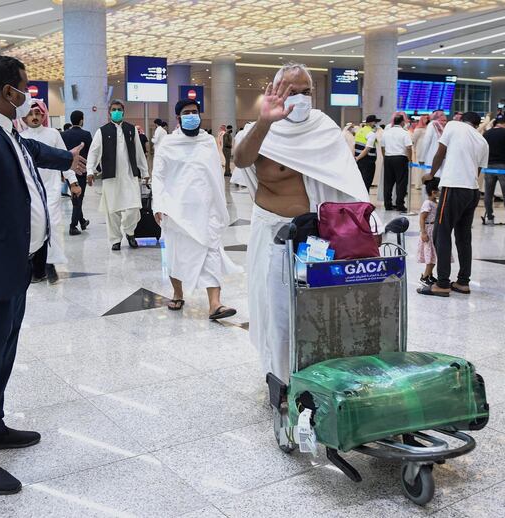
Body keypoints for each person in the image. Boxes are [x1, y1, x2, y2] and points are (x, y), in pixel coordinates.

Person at [0, 56, 87, 494]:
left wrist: (70, 159)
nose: (29, 96)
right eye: (25, 88)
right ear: (9, 92)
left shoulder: (12, 131)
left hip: (15, 267)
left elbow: (35, 151)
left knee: (2, 354)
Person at [232, 62, 379, 383]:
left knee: (317, 307)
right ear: (274, 92)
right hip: (274, 235)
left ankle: (316, 373)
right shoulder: (260, 131)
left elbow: (346, 181)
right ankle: (281, 381)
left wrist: (367, 225)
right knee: (277, 311)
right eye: (291, 91)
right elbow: (240, 160)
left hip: (318, 237)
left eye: (306, 92)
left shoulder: (324, 128)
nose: (299, 98)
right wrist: (264, 122)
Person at [152, 98, 242, 319]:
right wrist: (159, 204)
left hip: (206, 210)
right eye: (186, 112)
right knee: (176, 255)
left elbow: (215, 175)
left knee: (211, 252)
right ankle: (177, 292)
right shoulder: (169, 143)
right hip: (176, 211)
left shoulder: (208, 142)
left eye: (195, 112)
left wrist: (220, 206)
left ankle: (215, 304)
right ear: (178, 118)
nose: (192, 115)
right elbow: (159, 175)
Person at [418, 111, 488, 297]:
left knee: (441, 233)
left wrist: (431, 174)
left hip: (453, 187)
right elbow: (477, 170)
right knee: (463, 236)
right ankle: (463, 282)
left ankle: (442, 283)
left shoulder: (453, 126)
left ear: (461, 119)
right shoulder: (482, 141)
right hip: (472, 191)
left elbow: (440, 153)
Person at [20, 99, 82, 284]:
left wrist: (73, 182)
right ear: (24, 116)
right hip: (30, 191)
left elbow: (65, 158)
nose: (34, 117)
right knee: (34, 228)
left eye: (38, 113)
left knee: (53, 226)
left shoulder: (53, 134)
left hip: (51, 189)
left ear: (43, 115)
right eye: (31, 114)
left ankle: (50, 264)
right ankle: (35, 266)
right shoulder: (20, 136)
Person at [85, 99, 149, 251]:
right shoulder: (102, 131)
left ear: (123, 111)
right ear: (109, 112)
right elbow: (93, 153)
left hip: (130, 176)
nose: (116, 112)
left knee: (134, 209)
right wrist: (90, 170)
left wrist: (145, 171)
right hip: (111, 177)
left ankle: (130, 232)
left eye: (119, 109)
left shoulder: (131, 129)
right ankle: (115, 240)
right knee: (112, 211)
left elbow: (139, 152)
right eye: (113, 109)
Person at [61, 110, 93, 235]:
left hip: (67, 169)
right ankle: (73, 226)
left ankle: (82, 221)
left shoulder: (63, 135)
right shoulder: (86, 134)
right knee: (78, 198)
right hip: (81, 170)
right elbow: (91, 153)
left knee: (76, 196)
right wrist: (95, 169)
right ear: (81, 120)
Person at [381, 112, 413, 212]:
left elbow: (382, 147)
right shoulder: (404, 133)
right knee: (401, 183)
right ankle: (400, 205)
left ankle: (388, 204)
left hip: (388, 158)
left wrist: (385, 157)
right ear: (402, 122)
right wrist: (410, 159)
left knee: (388, 183)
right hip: (400, 158)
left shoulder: (386, 132)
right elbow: (408, 147)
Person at [417, 182, 446, 286]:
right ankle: (424, 276)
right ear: (433, 192)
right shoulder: (427, 203)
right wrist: (423, 232)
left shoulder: (435, 202)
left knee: (434, 254)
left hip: (435, 230)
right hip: (429, 231)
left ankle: (429, 275)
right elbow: (422, 218)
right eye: (440, 191)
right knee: (431, 255)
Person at [355, 115, 380, 191]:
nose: (375, 124)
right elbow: (367, 149)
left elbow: (355, 145)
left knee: (360, 182)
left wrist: (356, 158)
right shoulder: (371, 133)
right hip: (368, 161)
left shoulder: (360, 131)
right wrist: (358, 158)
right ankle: (365, 201)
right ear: (371, 123)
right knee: (367, 182)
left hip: (359, 160)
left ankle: (359, 201)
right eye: (375, 122)